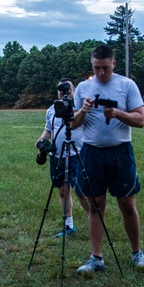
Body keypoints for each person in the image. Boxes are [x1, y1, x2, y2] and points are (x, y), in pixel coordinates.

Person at [67, 45, 144, 275]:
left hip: (120, 152)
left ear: (114, 63)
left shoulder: (126, 85)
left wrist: (117, 114)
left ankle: (137, 253)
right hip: (92, 153)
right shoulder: (84, 87)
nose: (101, 73)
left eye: (105, 68)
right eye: (96, 68)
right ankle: (96, 258)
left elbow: (141, 119)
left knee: (127, 204)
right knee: (95, 206)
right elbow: (73, 124)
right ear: (92, 65)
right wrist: (83, 110)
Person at [36, 79, 90, 237]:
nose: (64, 92)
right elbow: (49, 130)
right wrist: (41, 140)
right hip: (57, 155)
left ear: (74, 91)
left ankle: (93, 219)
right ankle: (69, 226)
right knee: (62, 190)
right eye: (60, 89)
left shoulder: (79, 108)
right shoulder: (51, 110)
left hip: (76, 155)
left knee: (81, 191)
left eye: (68, 89)